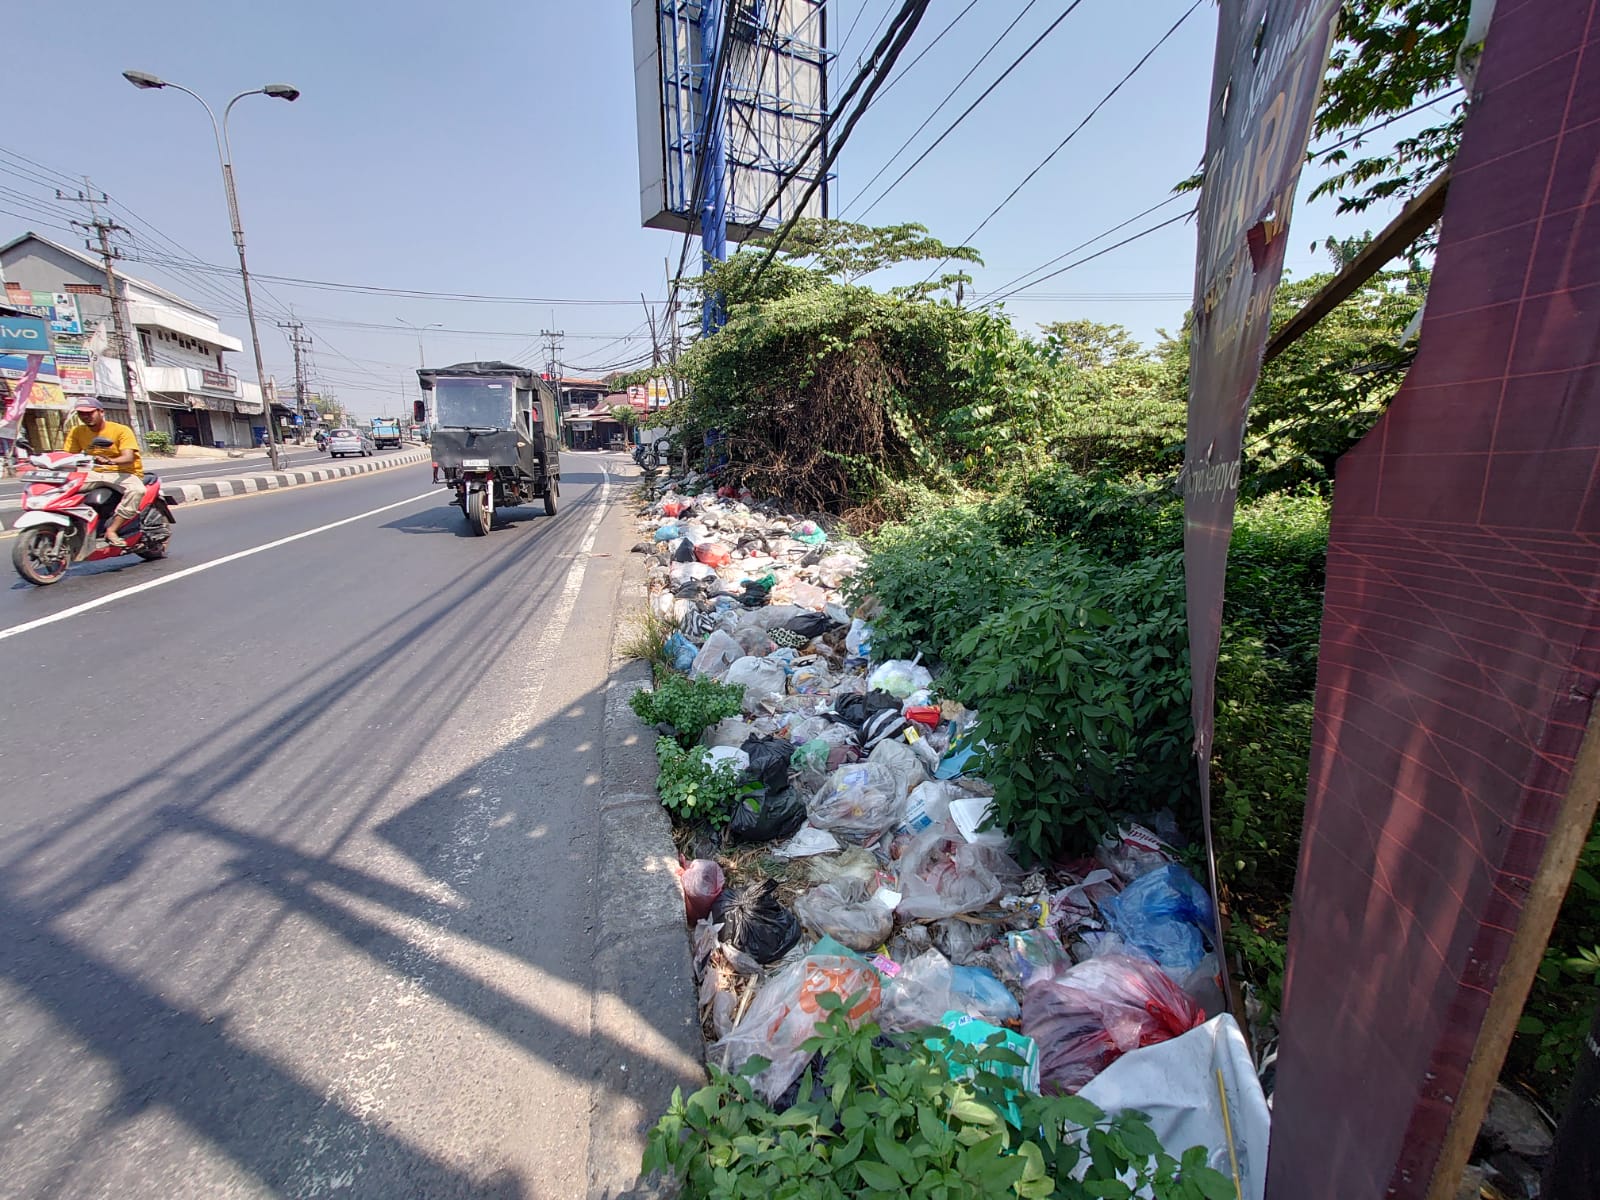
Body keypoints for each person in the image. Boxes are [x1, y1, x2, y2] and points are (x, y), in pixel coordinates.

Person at [62, 398, 145, 547]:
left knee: (137, 490)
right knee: (63, 486)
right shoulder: (77, 431)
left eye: (89, 413)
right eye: (81, 414)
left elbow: (128, 457)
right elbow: (69, 456)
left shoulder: (121, 430)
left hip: (122, 472)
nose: (85, 416)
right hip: (95, 472)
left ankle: (112, 529)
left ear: (101, 412)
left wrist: (110, 461)